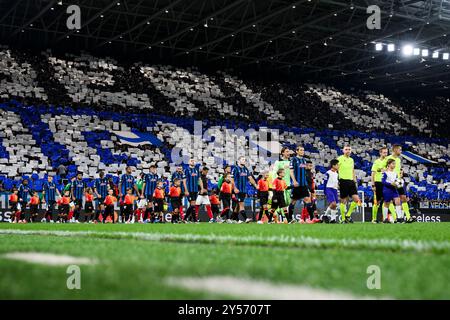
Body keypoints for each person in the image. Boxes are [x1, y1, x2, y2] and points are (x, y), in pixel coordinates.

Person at [386, 145, 415, 223]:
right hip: (391, 182)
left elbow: (398, 169)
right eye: (400, 150)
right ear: (395, 150)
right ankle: (395, 218)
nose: (401, 151)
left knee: (403, 198)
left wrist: (400, 175)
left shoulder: (398, 160)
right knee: (390, 201)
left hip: (399, 182)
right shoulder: (388, 158)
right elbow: (385, 169)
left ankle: (408, 217)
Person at [337, 145, 361, 223]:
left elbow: (352, 170)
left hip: (351, 181)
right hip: (343, 181)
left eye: (349, 149)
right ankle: (343, 219)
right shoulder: (339, 159)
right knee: (343, 200)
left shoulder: (351, 160)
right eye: (346, 149)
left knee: (356, 199)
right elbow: (335, 170)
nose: (348, 151)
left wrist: (355, 180)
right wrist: (337, 181)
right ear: (343, 150)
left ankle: (348, 215)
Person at [231, 156, 257, 223]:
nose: (244, 161)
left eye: (245, 160)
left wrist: (256, 185)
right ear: (238, 161)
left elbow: (250, 178)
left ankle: (233, 219)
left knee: (237, 205)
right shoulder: (235, 169)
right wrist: (235, 188)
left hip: (243, 190)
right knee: (241, 204)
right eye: (242, 159)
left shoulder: (245, 169)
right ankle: (246, 218)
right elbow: (232, 179)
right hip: (237, 190)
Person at [289, 146, 311, 223]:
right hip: (297, 184)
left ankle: (311, 219)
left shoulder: (304, 160)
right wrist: (294, 181)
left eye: (303, 150)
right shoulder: (294, 160)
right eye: (301, 150)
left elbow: (303, 170)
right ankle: (289, 218)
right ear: (297, 151)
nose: (302, 151)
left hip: (304, 184)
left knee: (307, 199)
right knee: (293, 201)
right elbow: (291, 171)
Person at [271, 147, 292, 222]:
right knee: (283, 202)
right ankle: (285, 218)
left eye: (288, 151)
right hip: (280, 186)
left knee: (288, 202)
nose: (288, 153)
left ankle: (277, 213)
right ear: (282, 153)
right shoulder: (278, 162)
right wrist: (276, 184)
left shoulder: (291, 162)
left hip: (288, 185)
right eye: (286, 151)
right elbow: (274, 173)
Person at [382, 159, 404, 223]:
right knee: (387, 203)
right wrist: (390, 184)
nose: (394, 165)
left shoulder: (395, 173)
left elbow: (397, 182)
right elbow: (383, 181)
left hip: (394, 189)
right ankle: (385, 219)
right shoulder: (385, 173)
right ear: (389, 164)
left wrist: (397, 185)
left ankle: (399, 218)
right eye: (393, 164)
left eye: (394, 164)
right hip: (387, 189)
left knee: (398, 201)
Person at [371, 147, 388, 223]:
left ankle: (385, 219)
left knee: (387, 201)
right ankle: (374, 219)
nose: (385, 154)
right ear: (380, 153)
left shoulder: (388, 161)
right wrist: (373, 185)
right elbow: (373, 174)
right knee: (376, 202)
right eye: (384, 152)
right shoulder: (376, 162)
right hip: (378, 183)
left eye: (386, 152)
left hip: (386, 183)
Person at [322, 159, 339, 223]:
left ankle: (333, 219)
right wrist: (325, 191)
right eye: (337, 165)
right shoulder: (328, 173)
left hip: (335, 189)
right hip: (329, 189)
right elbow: (325, 182)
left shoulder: (336, 173)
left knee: (335, 205)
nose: (338, 166)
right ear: (333, 165)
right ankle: (325, 215)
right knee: (333, 203)